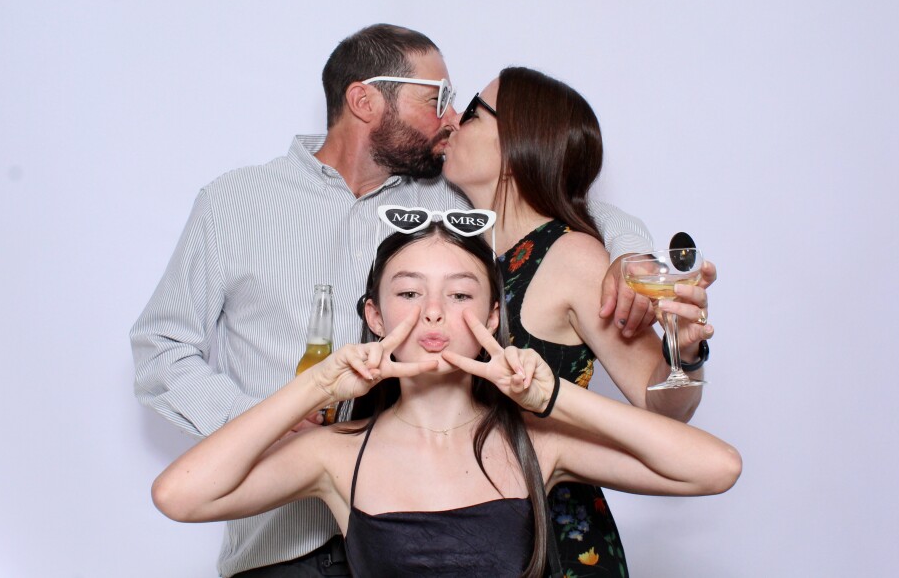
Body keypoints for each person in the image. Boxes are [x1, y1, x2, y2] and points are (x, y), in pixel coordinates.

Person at [131, 25, 658, 577]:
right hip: (279, 539)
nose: (451, 119)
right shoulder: (233, 203)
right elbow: (162, 348)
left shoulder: (451, 200)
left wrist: (631, 252)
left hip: (412, 533)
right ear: (364, 101)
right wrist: (264, 424)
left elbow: (557, 205)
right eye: (436, 100)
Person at [150, 221, 741, 578]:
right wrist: (318, 385)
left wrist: (553, 396)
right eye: (409, 293)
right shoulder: (336, 453)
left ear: (492, 316)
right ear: (374, 316)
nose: (433, 312)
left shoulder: (537, 444)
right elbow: (179, 496)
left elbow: (716, 468)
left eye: (460, 294)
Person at [442, 66, 718, 576]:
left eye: (475, 112)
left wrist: (684, 351)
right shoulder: (469, 252)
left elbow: (663, 407)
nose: (455, 120)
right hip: (473, 534)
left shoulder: (572, 257)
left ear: (517, 147)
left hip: (554, 542)